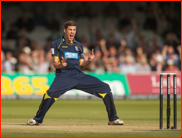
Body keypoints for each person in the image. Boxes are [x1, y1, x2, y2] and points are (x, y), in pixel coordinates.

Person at [27, 21, 123, 126]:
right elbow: (55, 64)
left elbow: (81, 66)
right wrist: (61, 65)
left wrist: (89, 61)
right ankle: (37, 119)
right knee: (50, 94)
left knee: (106, 88)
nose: (72, 32)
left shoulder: (79, 46)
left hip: (78, 75)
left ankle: (113, 119)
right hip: (64, 75)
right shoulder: (56, 43)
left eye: (74, 30)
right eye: (70, 30)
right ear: (65, 30)